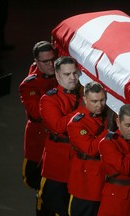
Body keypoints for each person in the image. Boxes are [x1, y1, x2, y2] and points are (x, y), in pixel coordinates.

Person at [39, 56, 82, 216]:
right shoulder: (49, 99)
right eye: (67, 74)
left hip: (79, 162)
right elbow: (58, 126)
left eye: (75, 73)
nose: (72, 77)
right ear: (57, 76)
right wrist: (84, 109)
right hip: (58, 163)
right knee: (54, 205)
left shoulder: (82, 95)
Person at [19, 41, 57, 216]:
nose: (50, 64)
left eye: (52, 60)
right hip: (40, 142)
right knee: (42, 190)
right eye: (45, 62)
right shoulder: (29, 84)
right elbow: (36, 113)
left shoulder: (61, 72)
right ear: (36, 62)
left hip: (58, 143)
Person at [97, 104, 130, 216]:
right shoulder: (108, 143)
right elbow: (124, 167)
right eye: (128, 125)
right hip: (119, 201)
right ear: (118, 122)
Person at [67, 81, 108, 216]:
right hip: (86, 184)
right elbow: (90, 149)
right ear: (85, 100)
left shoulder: (107, 116)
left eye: (102, 100)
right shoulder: (76, 123)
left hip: (105, 180)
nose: (99, 105)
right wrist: (109, 131)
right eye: (94, 101)